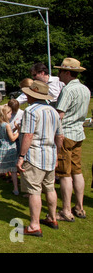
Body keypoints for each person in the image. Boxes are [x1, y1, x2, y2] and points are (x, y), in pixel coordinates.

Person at [16, 80, 63, 237]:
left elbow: (28, 135)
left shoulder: (30, 111)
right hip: (50, 155)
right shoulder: (53, 111)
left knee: (34, 190)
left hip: (35, 155)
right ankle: (52, 217)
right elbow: (60, 136)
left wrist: (21, 156)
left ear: (32, 94)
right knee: (49, 187)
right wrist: (57, 154)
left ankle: (34, 225)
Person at [54, 58, 90, 221]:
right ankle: (80, 207)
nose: (59, 74)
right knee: (77, 170)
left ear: (67, 72)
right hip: (79, 133)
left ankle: (66, 211)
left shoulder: (68, 90)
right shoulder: (85, 89)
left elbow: (59, 115)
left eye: (60, 71)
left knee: (64, 173)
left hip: (66, 134)